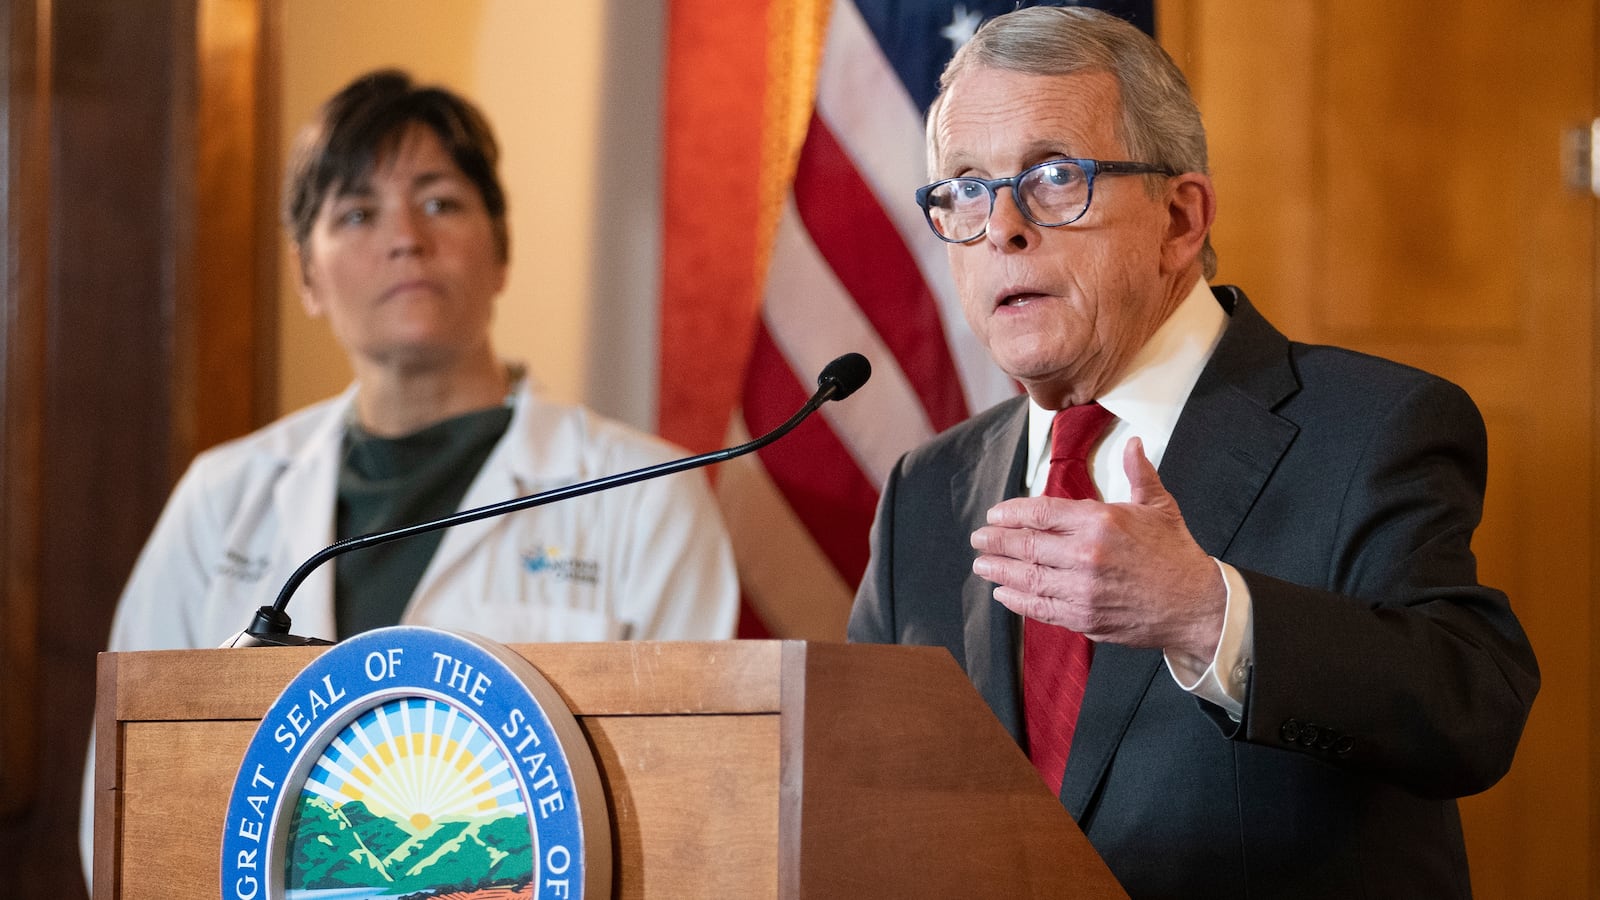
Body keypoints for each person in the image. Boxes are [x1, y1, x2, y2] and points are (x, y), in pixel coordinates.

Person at [847, 8, 1538, 898]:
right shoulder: (926, 488)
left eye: (1054, 178)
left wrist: (1210, 616)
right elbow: (864, 780)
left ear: (1180, 219)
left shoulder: (1375, 426)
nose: (1003, 229)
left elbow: (1472, 708)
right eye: (967, 190)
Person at [82, 69, 739, 882]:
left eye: (439, 202)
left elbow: (697, 809)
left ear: (501, 249)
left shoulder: (645, 493)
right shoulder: (221, 496)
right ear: (306, 275)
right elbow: (121, 803)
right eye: (358, 213)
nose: (404, 237)